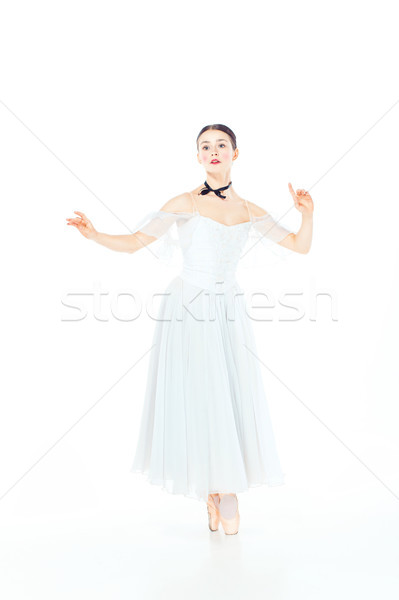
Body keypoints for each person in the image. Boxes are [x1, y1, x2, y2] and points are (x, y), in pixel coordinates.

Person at [66, 124, 314, 535]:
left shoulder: (250, 210)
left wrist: (307, 215)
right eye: (205, 146)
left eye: (221, 145)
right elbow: (135, 242)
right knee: (200, 393)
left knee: (229, 393)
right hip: (189, 307)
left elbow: (300, 246)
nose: (213, 151)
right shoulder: (184, 202)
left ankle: (224, 485)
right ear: (197, 156)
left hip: (228, 309)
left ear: (236, 153)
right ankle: (213, 487)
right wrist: (94, 236)